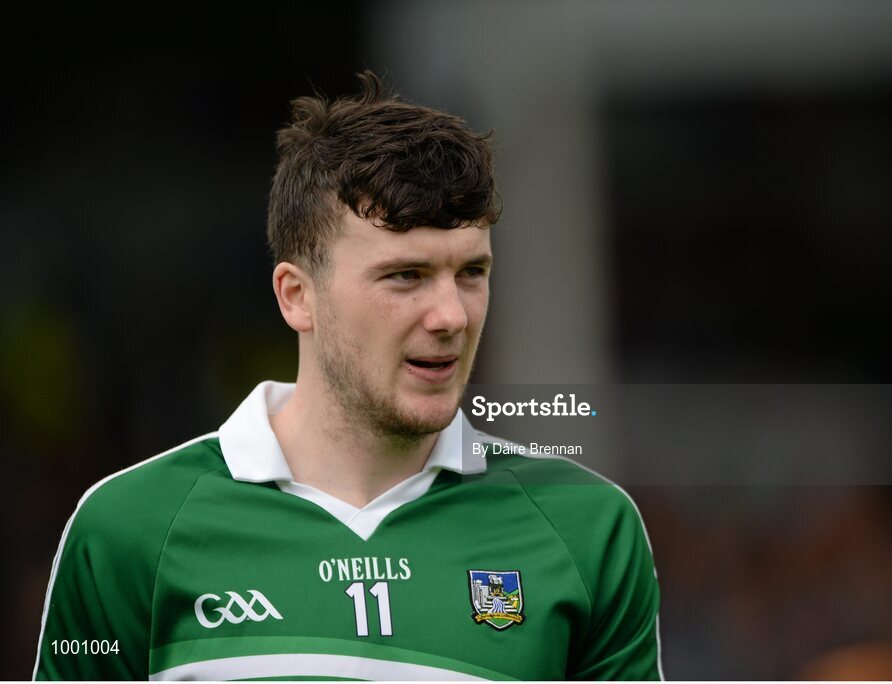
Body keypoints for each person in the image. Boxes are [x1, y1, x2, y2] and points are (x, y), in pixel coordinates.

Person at [34, 71, 662, 681]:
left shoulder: (588, 530)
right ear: (296, 297)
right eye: (405, 276)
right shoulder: (128, 530)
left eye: (471, 272)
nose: (452, 316)